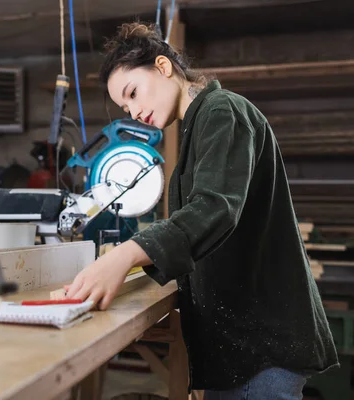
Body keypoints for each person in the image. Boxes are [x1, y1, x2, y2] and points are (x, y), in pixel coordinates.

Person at [64, 21, 339, 399]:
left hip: (262, 344)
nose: (133, 111)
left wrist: (125, 255)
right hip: (241, 344)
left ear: (163, 67)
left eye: (133, 93)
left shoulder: (222, 111)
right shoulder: (197, 131)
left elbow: (214, 209)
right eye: (125, 106)